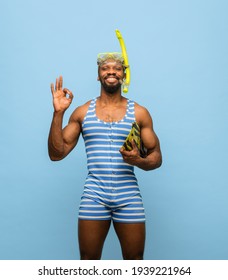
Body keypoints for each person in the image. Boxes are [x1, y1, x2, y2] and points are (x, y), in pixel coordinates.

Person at [48, 53, 162, 260]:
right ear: (98, 76)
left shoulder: (139, 113)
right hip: (94, 196)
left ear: (124, 75)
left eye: (117, 68)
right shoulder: (82, 112)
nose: (111, 71)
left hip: (129, 196)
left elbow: (156, 158)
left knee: (135, 263)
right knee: (88, 263)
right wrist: (58, 113)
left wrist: (138, 160)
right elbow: (57, 154)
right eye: (105, 68)